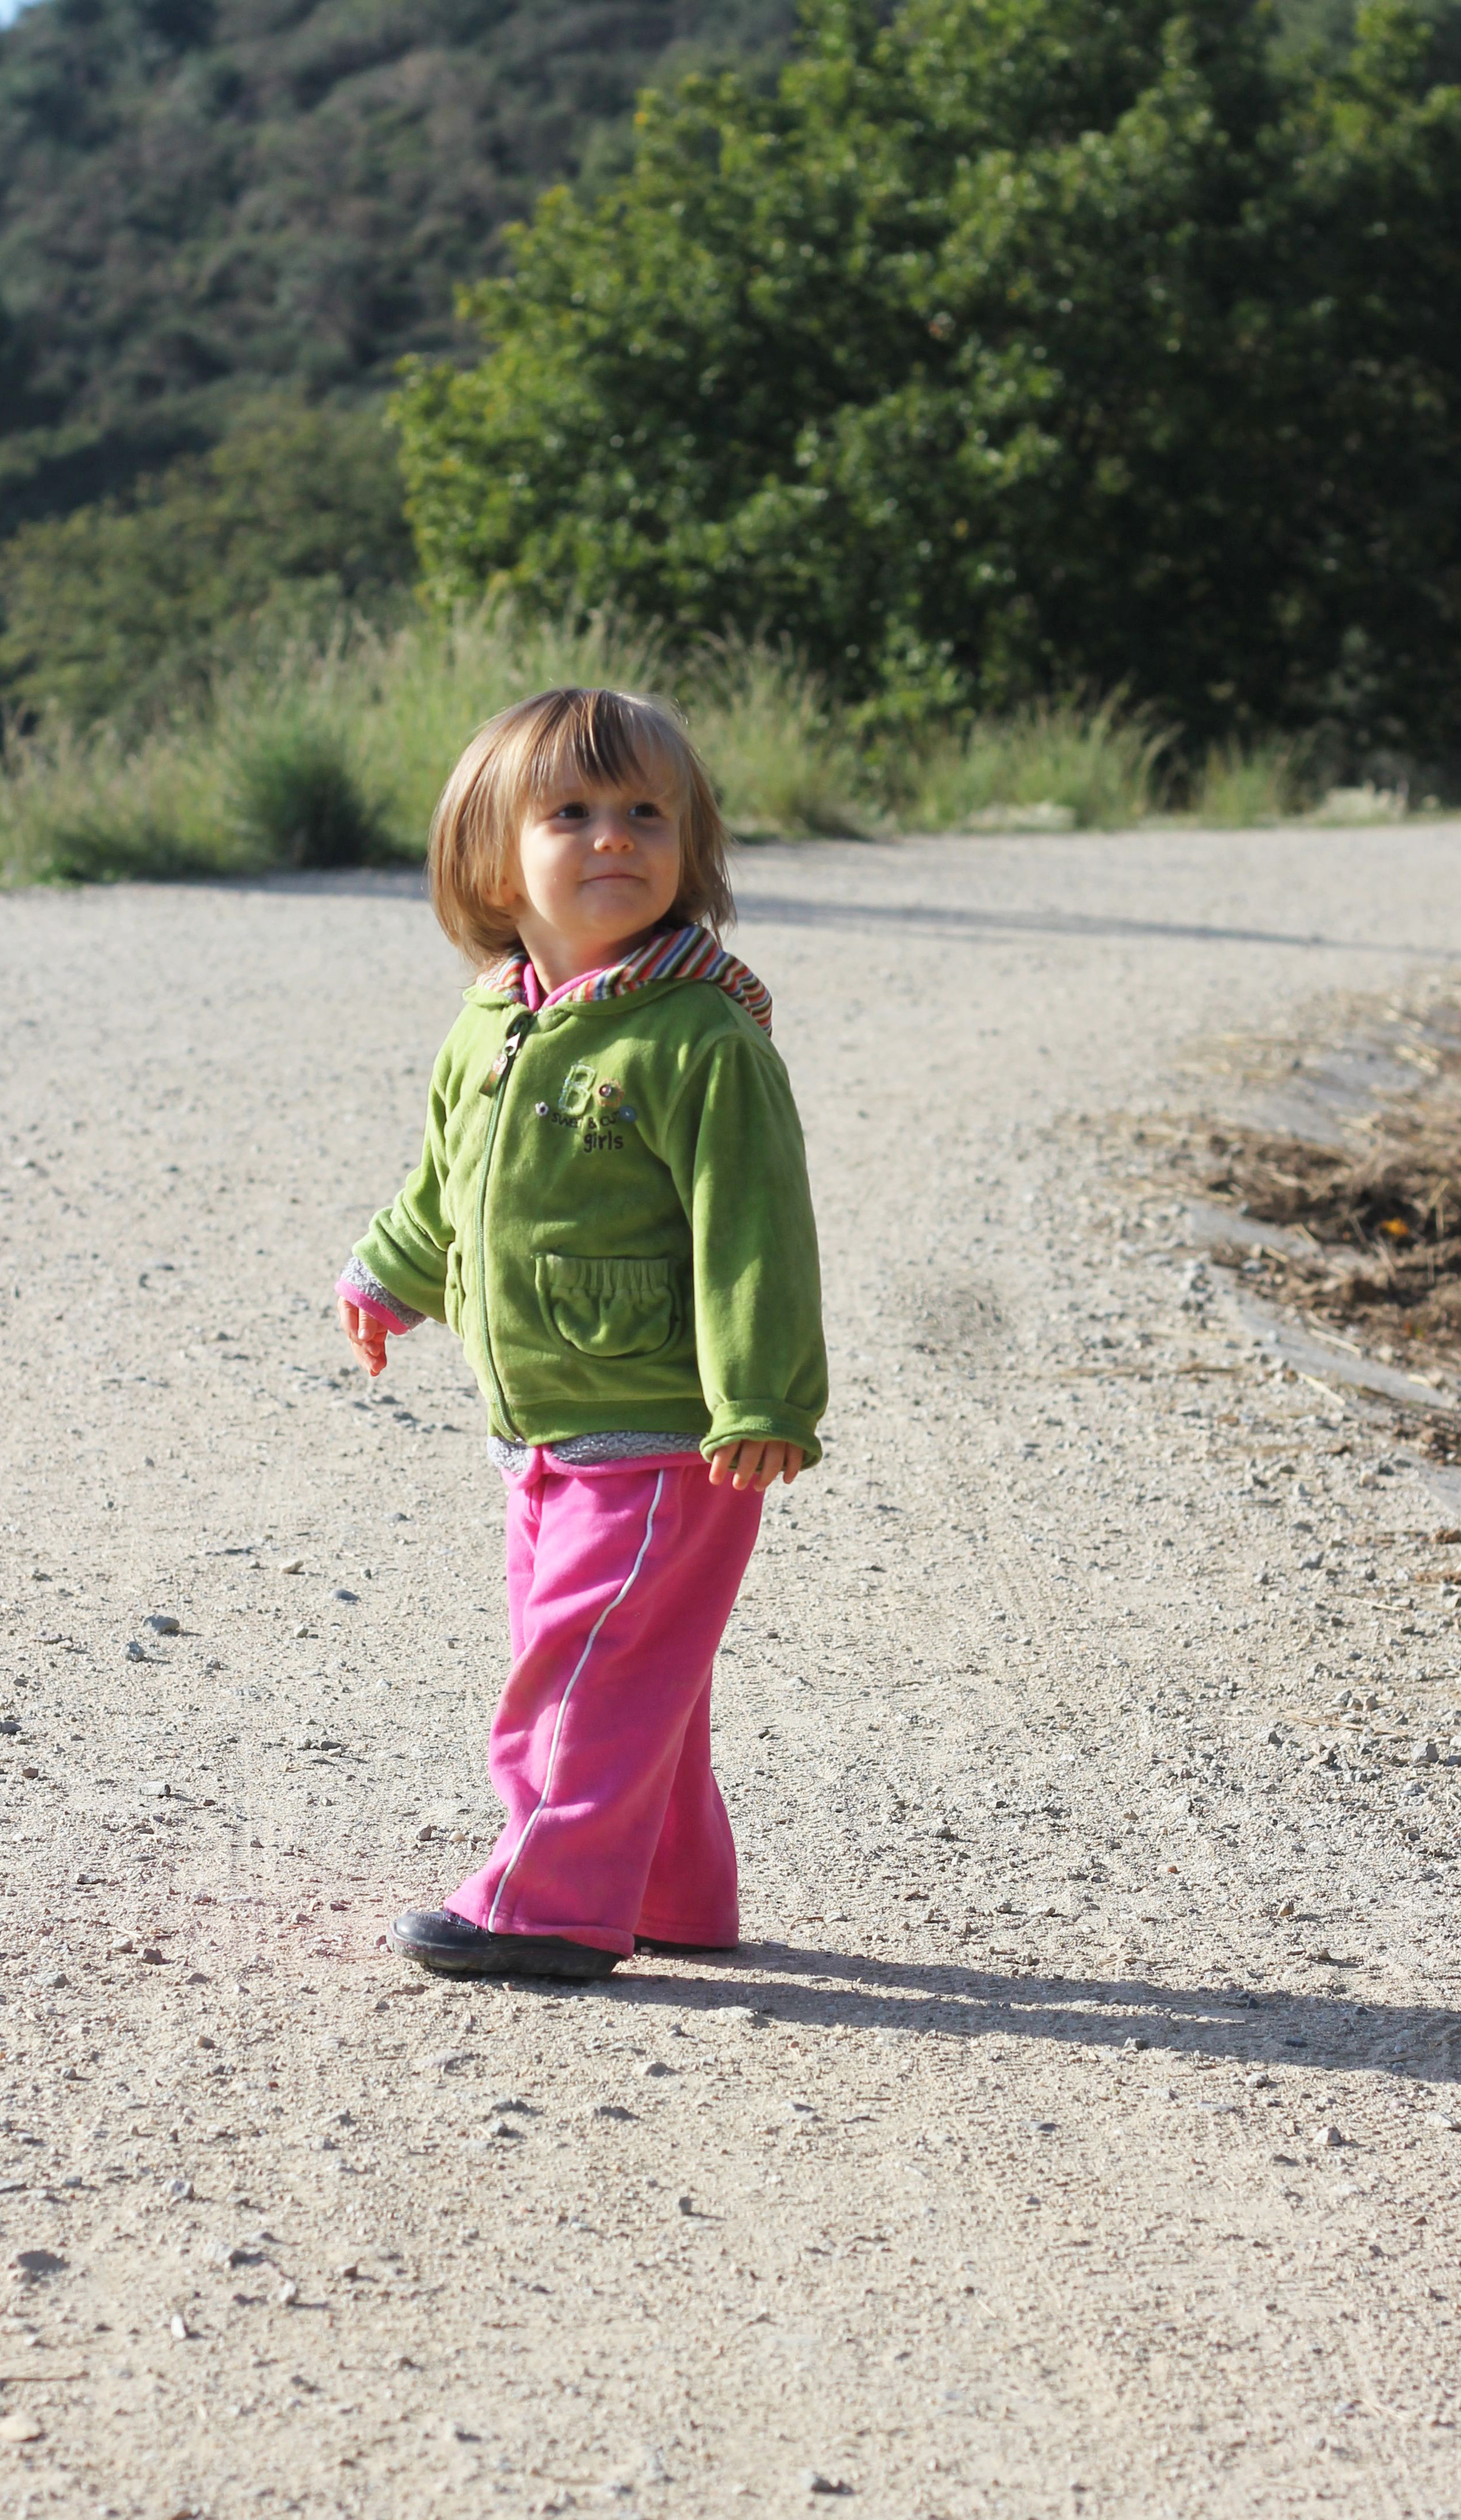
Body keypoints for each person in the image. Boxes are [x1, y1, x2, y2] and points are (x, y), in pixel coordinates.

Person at [336, 686, 828, 1981]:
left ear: (690, 849)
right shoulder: (491, 1021)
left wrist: (764, 1396)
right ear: (494, 861)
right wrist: (390, 1275)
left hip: (666, 1429)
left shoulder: (698, 1037)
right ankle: (672, 1889)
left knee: (587, 1670)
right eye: (571, 813)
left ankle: (548, 1899)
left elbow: (757, 1226)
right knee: (638, 1672)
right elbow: (446, 1182)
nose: (616, 836)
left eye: (648, 814)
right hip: (545, 1428)